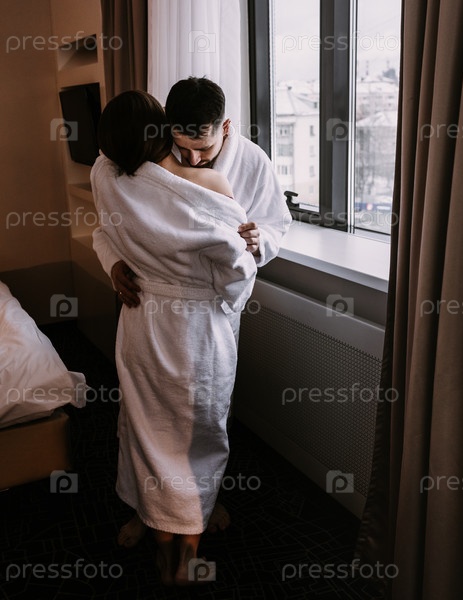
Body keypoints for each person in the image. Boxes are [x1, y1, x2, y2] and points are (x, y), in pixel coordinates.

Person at [92, 77, 292, 541]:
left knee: (201, 420)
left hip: (209, 314)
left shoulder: (252, 163)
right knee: (142, 417)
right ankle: (145, 508)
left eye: (202, 149)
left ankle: (196, 507)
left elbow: (276, 223)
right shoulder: (146, 155)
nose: (192, 160)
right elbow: (109, 225)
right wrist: (113, 262)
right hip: (149, 306)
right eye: (181, 147)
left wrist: (260, 241)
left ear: (225, 127)